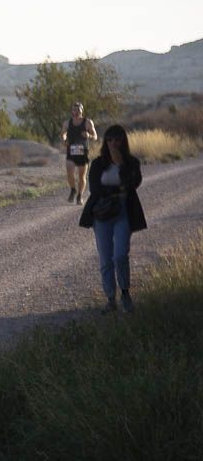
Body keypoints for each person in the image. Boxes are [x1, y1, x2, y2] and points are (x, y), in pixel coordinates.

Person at [79, 124, 147, 313]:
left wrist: (121, 166)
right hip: (101, 213)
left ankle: (125, 293)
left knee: (120, 255)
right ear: (105, 141)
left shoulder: (131, 162)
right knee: (105, 259)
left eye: (117, 139)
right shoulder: (98, 163)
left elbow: (134, 183)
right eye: (109, 139)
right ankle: (111, 299)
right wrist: (118, 189)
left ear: (123, 141)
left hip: (123, 210)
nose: (113, 143)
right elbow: (95, 188)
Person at [62, 101, 98, 205]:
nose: (76, 112)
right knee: (70, 173)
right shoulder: (67, 123)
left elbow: (95, 136)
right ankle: (73, 189)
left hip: (83, 152)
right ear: (71, 111)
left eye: (78, 110)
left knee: (82, 176)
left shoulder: (87, 122)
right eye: (74, 110)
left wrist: (89, 135)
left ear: (82, 111)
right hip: (71, 151)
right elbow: (63, 134)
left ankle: (80, 196)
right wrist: (64, 141)